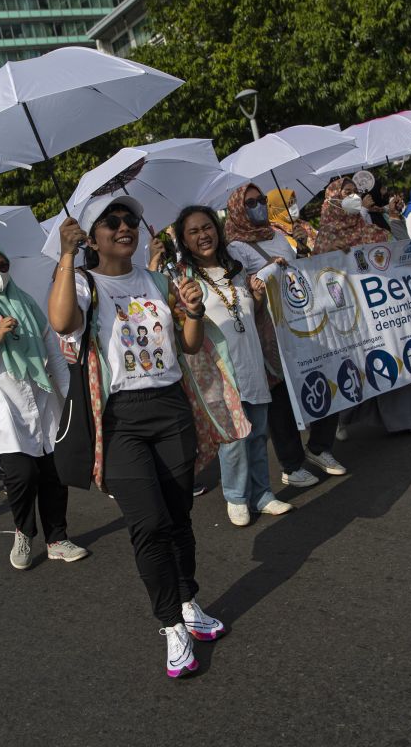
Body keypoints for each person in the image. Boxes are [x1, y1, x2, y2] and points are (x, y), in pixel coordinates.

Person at [49, 196, 226, 679]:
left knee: (178, 517)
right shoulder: (84, 283)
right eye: (111, 221)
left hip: (171, 409)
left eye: (130, 219)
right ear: (92, 236)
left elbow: (189, 346)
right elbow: (62, 322)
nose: (124, 226)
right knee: (147, 524)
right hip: (121, 420)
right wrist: (66, 257)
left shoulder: (156, 279)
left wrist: (192, 310)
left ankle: (189, 600)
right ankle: (171, 624)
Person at [0, 240, 89, 569]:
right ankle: (24, 531)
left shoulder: (25, 303)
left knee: (54, 471)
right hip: (2, 405)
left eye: (3, 266)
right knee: (21, 474)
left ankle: (57, 538)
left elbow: (53, 354)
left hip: (41, 398)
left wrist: (70, 397)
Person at [175, 204, 292, 527]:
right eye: (194, 232)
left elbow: (248, 316)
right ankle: (236, 497)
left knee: (256, 434)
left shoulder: (236, 269)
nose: (203, 235)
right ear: (184, 240)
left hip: (250, 362)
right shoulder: (183, 279)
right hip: (218, 372)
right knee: (234, 438)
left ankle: (262, 494)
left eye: (207, 227)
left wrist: (256, 299)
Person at [224, 183, 343, 489]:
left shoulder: (278, 235)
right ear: (238, 209)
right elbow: (243, 289)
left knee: (324, 376)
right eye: (250, 203)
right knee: (281, 399)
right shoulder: (236, 247)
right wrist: (266, 271)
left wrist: (303, 249)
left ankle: (319, 446)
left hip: (302, 322)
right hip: (270, 330)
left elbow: (299, 275)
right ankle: (291, 464)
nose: (258, 206)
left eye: (261, 200)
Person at [316, 178, 411, 434]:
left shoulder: (370, 229)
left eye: (355, 192)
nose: (353, 197)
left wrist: (395, 218)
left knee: (404, 352)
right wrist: (330, 256)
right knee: (362, 367)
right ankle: (344, 419)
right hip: (355, 317)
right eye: (346, 193)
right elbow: (322, 281)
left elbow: (401, 249)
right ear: (332, 199)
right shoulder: (325, 239)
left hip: (385, 307)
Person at [265, 188, 315, 255]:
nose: (294, 206)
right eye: (289, 203)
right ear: (274, 208)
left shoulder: (303, 225)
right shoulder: (273, 235)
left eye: (294, 201)